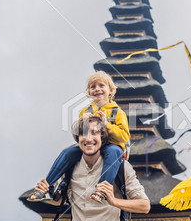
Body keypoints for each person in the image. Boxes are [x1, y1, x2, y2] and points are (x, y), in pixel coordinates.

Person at [33, 116, 150, 221]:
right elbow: (60, 201)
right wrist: (46, 193)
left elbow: (145, 206)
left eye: (94, 133)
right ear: (77, 138)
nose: (89, 138)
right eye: (83, 134)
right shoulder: (70, 166)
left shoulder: (121, 167)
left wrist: (114, 201)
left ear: (102, 137)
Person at [28, 71, 130, 203]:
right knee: (67, 152)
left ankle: (102, 189)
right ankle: (48, 187)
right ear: (89, 92)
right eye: (93, 87)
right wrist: (82, 123)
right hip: (90, 146)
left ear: (111, 90)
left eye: (101, 85)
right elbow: (78, 136)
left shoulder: (117, 112)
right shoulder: (85, 111)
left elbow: (124, 136)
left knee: (113, 151)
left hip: (111, 146)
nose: (97, 89)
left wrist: (107, 124)